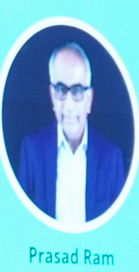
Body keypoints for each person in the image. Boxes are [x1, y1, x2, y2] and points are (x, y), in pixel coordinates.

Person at [14, 41, 127, 226]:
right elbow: (21, 223)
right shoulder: (31, 149)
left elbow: (120, 227)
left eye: (77, 91)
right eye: (60, 90)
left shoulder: (111, 156)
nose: (68, 105)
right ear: (52, 96)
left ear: (89, 100)